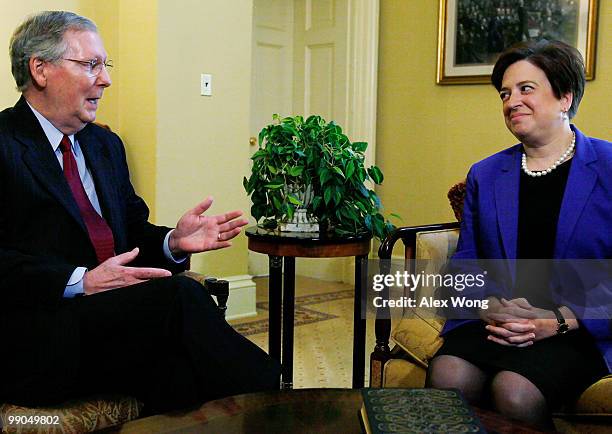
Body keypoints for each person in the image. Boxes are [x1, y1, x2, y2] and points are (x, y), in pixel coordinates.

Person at [0, 11, 279, 414]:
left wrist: (172, 242)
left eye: (105, 65)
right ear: (40, 69)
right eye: (91, 65)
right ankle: (280, 401)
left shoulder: (104, 146)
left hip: (111, 326)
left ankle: (267, 409)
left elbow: (130, 233)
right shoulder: (6, 144)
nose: (106, 79)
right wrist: (81, 281)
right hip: (38, 334)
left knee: (179, 375)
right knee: (183, 296)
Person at [426, 40, 611, 428]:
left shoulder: (608, 166)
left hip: (579, 327)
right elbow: (466, 263)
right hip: (498, 321)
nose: (512, 102)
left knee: (515, 390)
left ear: (565, 97)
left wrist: (558, 320)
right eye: (505, 94)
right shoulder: (486, 174)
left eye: (527, 89)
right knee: (447, 375)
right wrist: (486, 307)